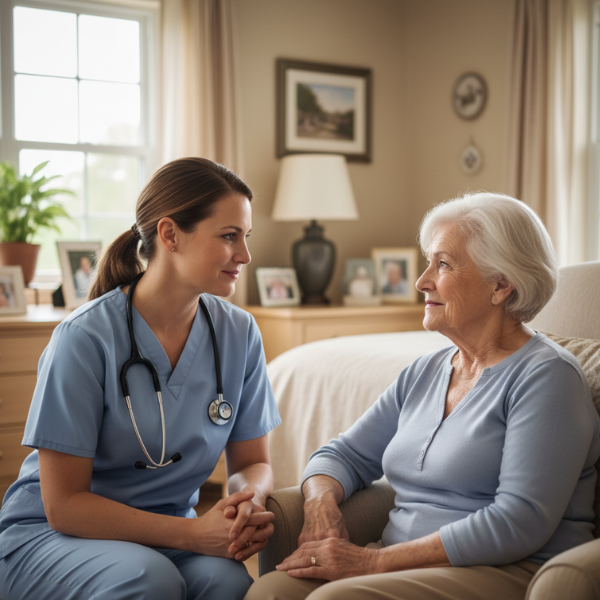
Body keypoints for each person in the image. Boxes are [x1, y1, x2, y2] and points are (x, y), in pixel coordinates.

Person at [245, 192, 600, 600]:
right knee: (270, 592)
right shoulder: (426, 371)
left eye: (443, 264)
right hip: (402, 562)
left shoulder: (547, 378)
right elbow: (342, 455)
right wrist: (319, 503)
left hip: (506, 569)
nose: (421, 281)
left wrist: (369, 563)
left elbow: (518, 522)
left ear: (500, 286)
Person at [0, 157, 281, 600]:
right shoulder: (84, 338)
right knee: (150, 579)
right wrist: (191, 536)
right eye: (229, 236)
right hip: (55, 535)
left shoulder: (239, 333)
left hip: (164, 532)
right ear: (170, 234)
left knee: (229, 583)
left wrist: (248, 500)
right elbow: (64, 505)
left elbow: (251, 463)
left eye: (245, 237)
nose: (244, 256)